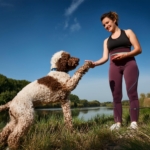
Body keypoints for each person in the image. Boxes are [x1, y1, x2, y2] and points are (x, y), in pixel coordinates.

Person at [86, 11, 142, 130]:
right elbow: (105, 58)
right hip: (114, 67)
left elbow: (138, 49)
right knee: (116, 96)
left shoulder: (128, 32)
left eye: (107, 23)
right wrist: (94, 63)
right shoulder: (106, 41)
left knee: (132, 93)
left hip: (129, 64)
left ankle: (134, 123)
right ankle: (118, 123)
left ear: (114, 20)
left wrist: (125, 54)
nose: (106, 26)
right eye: (104, 25)